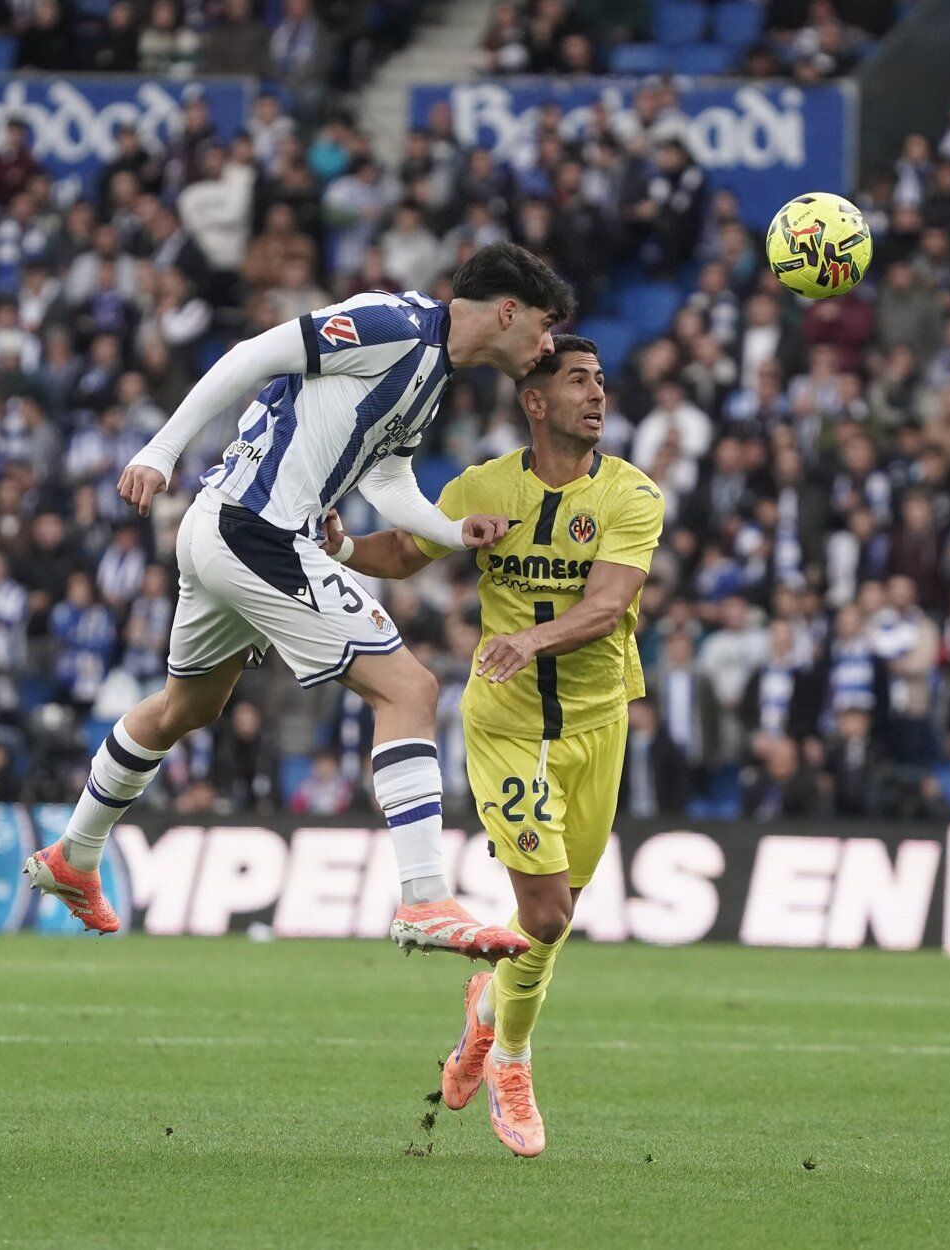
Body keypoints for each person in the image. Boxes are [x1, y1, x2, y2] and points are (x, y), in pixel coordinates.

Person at [25, 242, 573, 964]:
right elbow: (254, 355)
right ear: (507, 310)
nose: (548, 344)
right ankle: (424, 898)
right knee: (408, 689)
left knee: (185, 710)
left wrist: (449, 529)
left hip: (219, 530)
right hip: (256, 530)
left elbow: (385, 482)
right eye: (543, 325)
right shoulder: (392, 322)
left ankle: (74, 853)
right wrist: (160, 450)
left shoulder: (431, 374)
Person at [322, 335, 663, 1156]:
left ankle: (483, 1012)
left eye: (601, 381)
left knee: (555, 918)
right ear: (534, 402)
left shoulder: (631, 494)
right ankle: (511, 1060)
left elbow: (608, 606)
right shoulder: (483, 485)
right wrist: (339, 547)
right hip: (506, 726)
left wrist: (533, 643)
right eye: (577, 380)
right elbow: (405, 551)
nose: (596, 395)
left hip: (597, 721)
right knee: (543, 911)